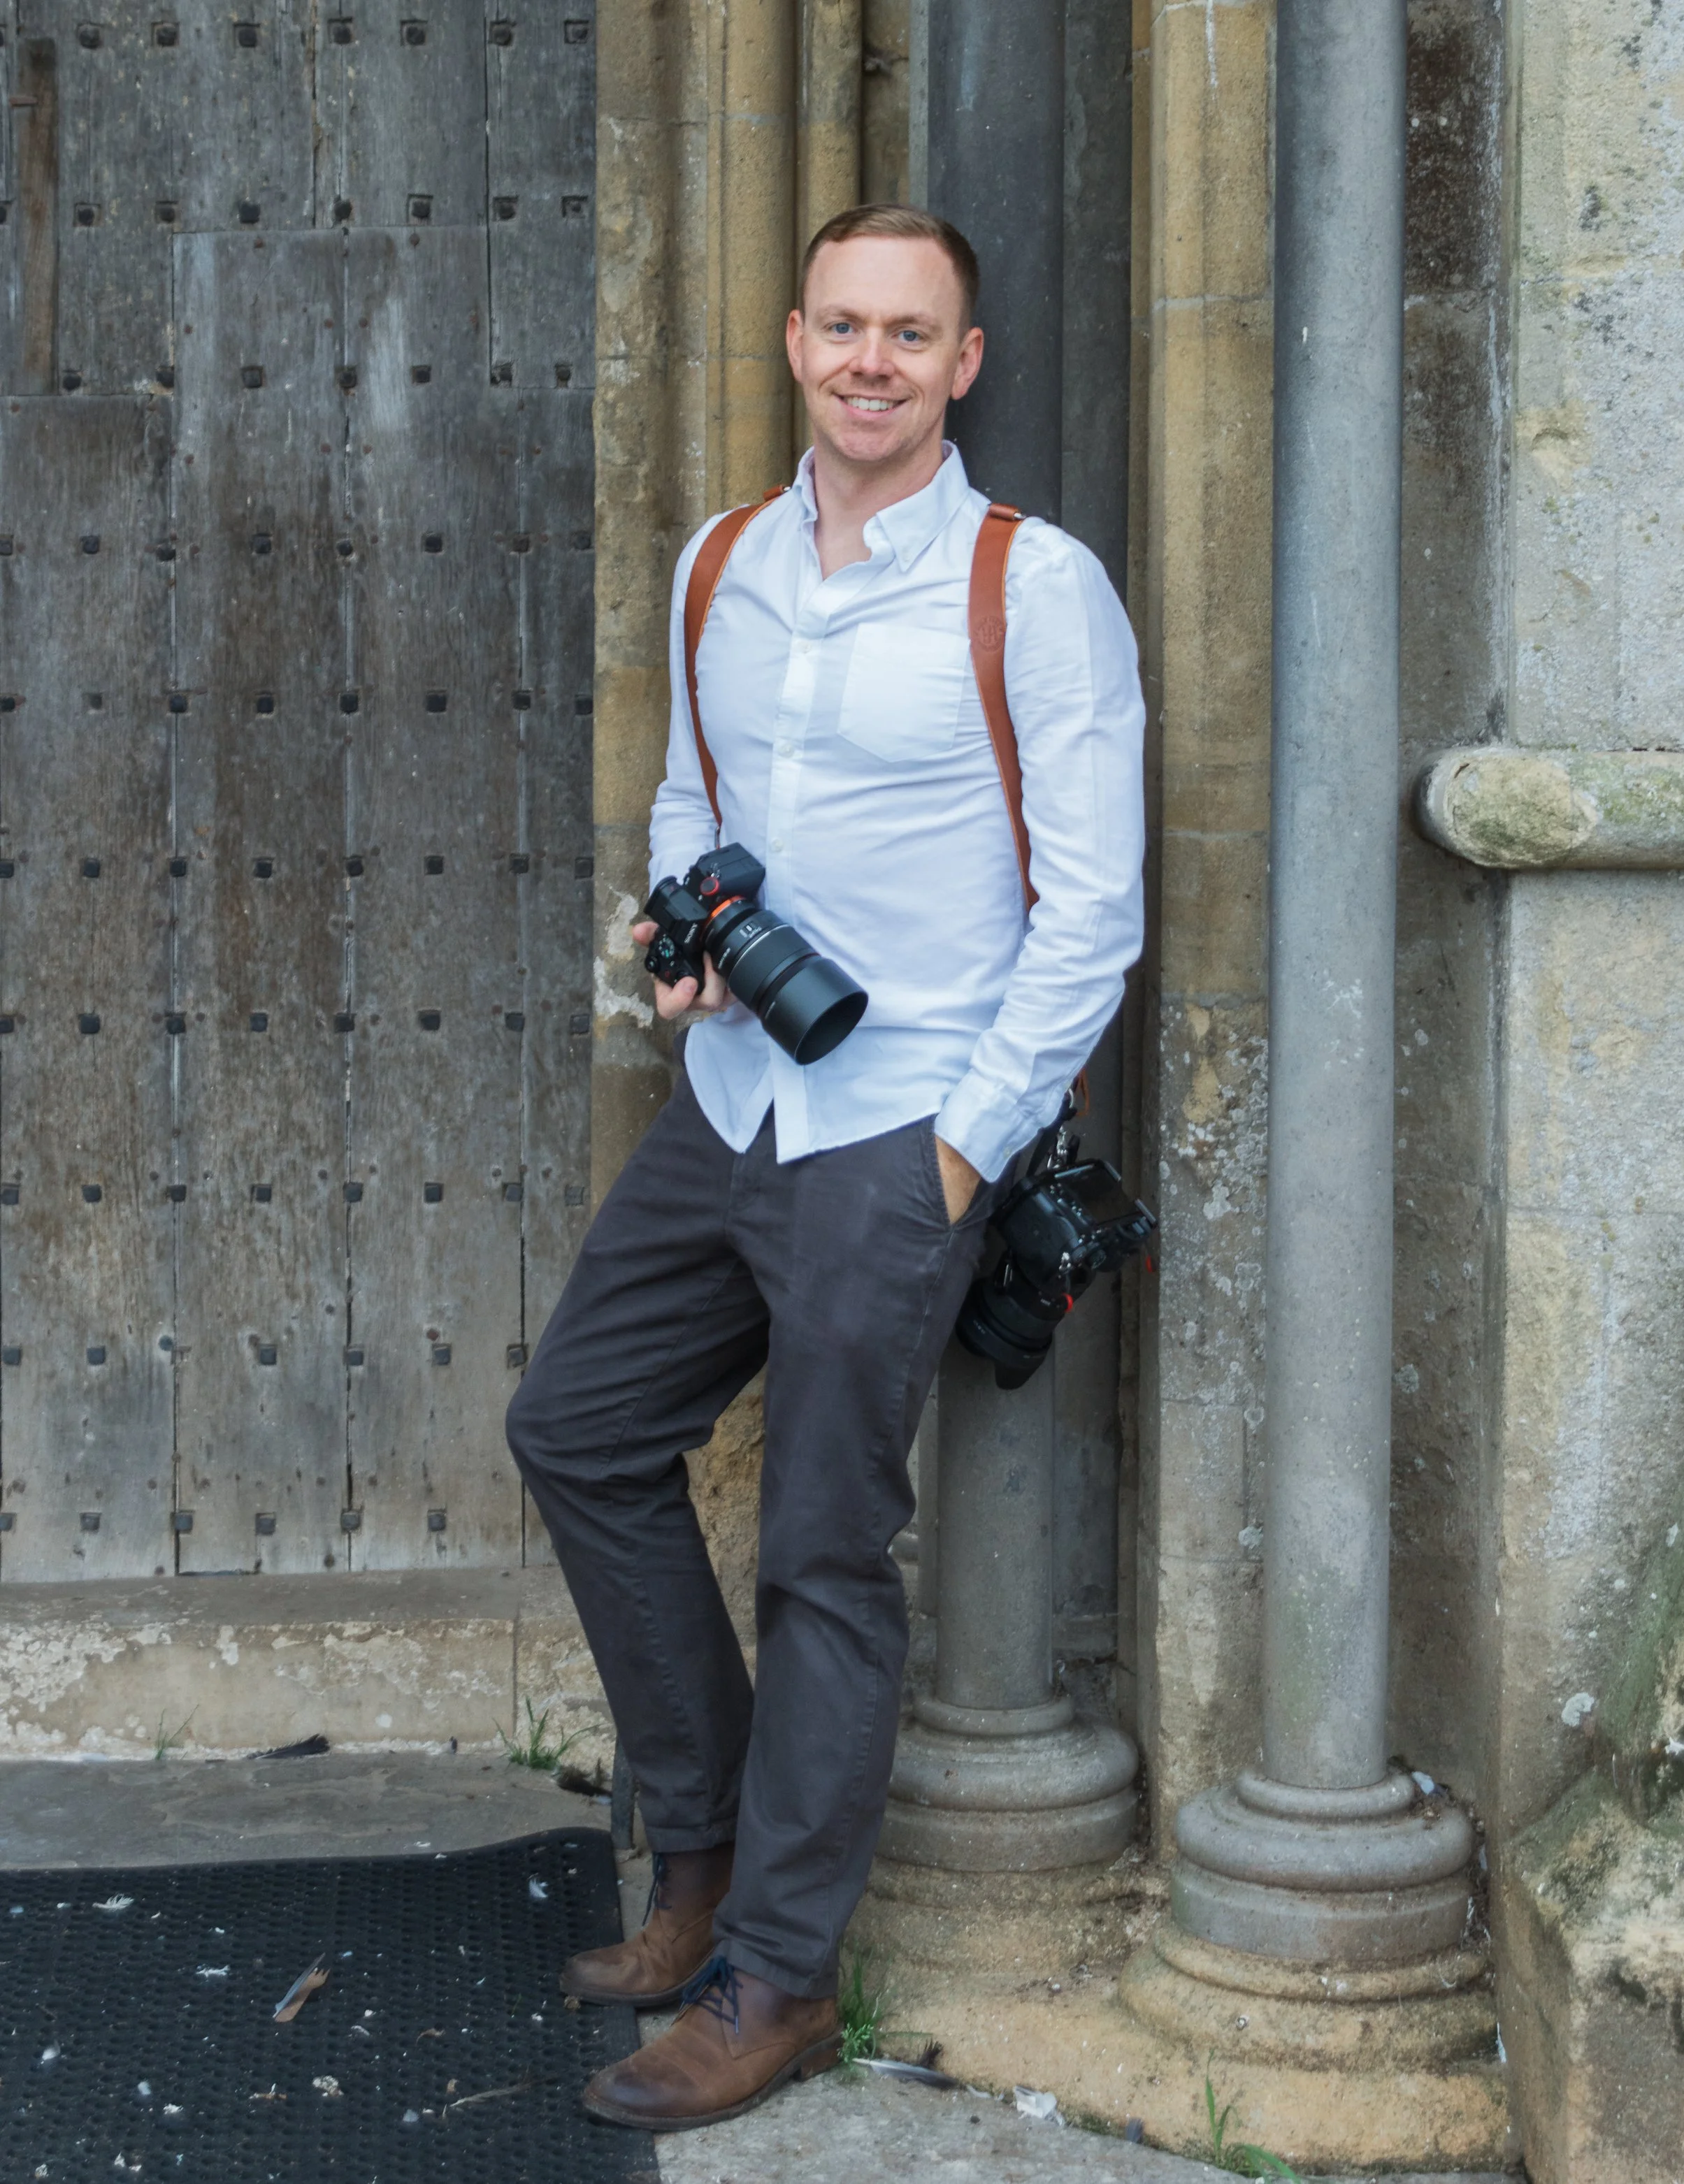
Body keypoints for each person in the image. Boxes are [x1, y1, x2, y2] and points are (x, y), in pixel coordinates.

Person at [505, 202, 1145, 2132]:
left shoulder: (1031, 588)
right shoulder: (723, 564)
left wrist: (963, 1149)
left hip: (903, 1130)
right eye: (842, 326)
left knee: (820, 1551)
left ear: (963, 365)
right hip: (735, 1104)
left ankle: (773, 1972)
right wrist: (694, 941)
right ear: (794, 341)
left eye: (910, 334)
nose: (870, 362)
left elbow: (1094, 910)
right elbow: (698, 798)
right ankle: (692, 1851)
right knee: (578, 1426)